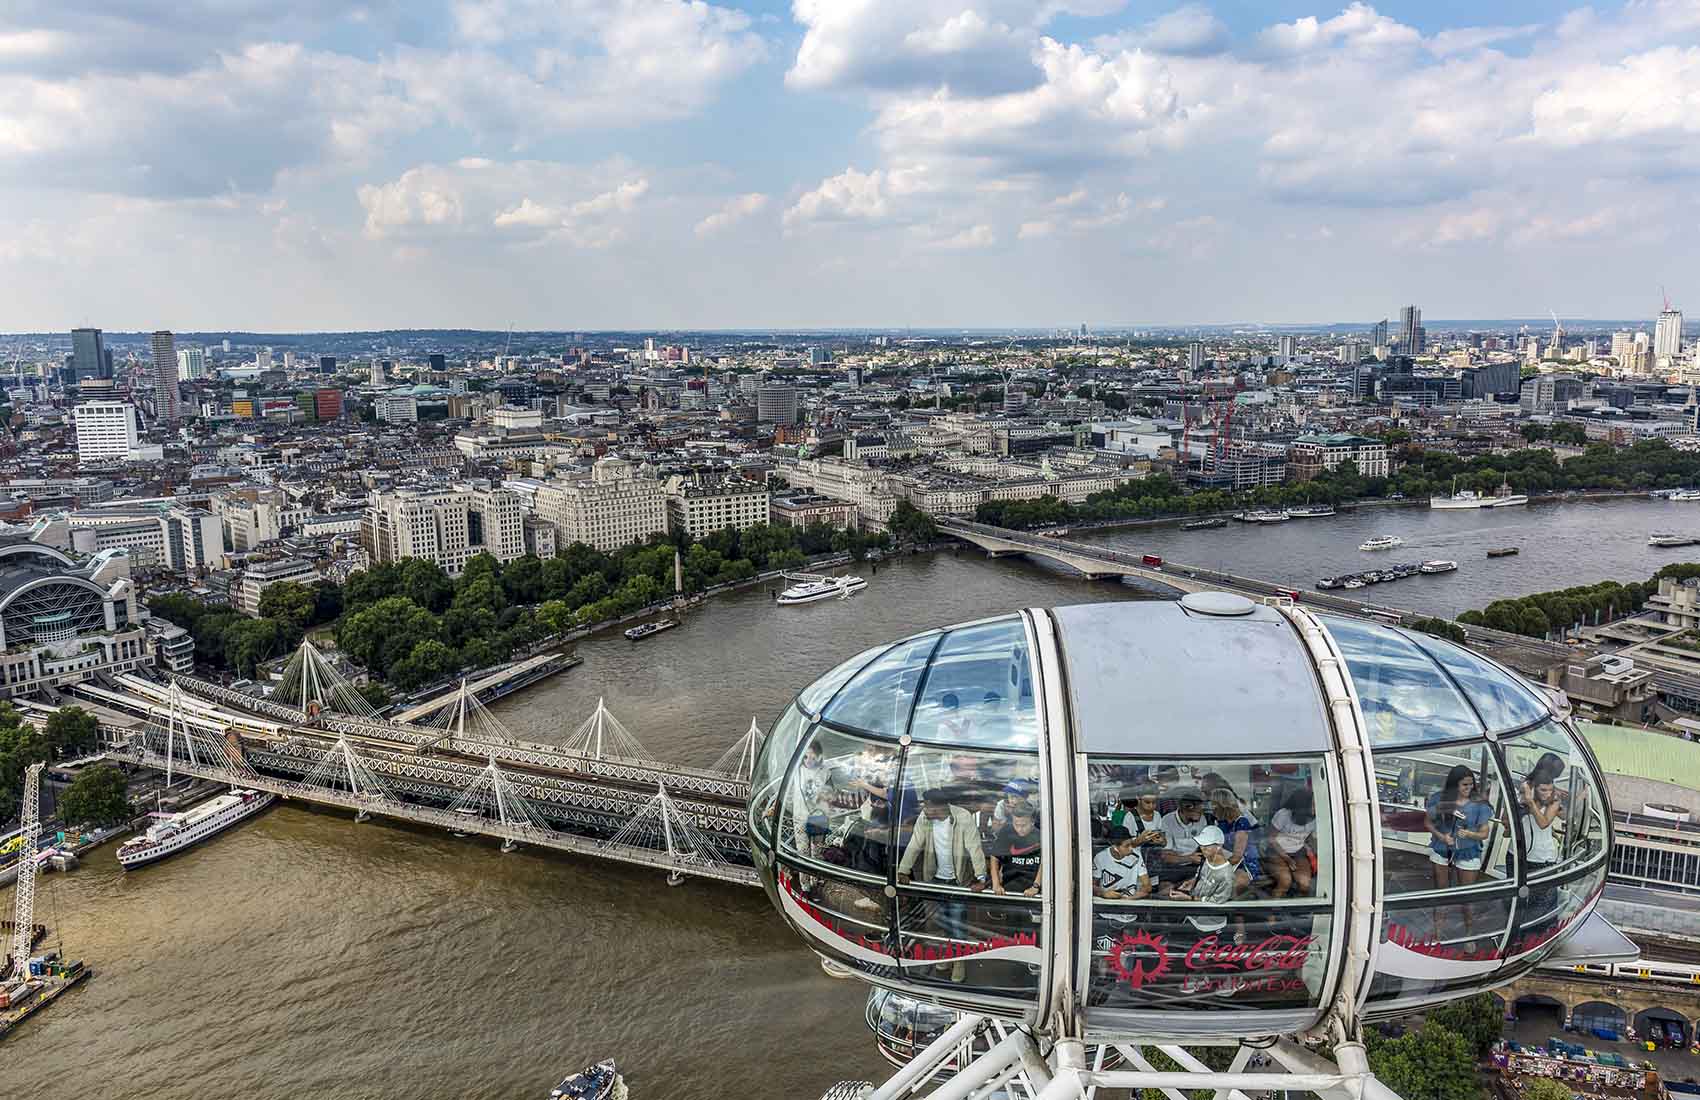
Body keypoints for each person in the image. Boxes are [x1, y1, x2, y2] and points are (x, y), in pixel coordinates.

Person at [897, 789, 989, 983]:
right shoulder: (925, 818)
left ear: (938, 807)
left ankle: (960, 963)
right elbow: (915, 843)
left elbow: (974, 847)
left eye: (926, 806)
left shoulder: (963, 818)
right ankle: (948, 957)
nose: (923, 810)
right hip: (935, 879)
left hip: (957, 881)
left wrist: (981, 877)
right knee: (939, 923)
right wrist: (903, 870)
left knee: (957, 925)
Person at [1427, 764, 1495, 890]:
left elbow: (1484, 834)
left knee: (1466, 896)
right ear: (1454, 785)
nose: (1469, 787)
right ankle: (1441, 910)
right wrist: (1442, 837)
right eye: (1465, 785)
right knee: (1440, 893)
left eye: (1471, 784)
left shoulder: (1479, 804)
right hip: (1441, 849)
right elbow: (1428, 822)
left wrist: (1469, 834)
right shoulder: (1439, 798)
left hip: (1468, 852)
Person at [1169, 825, 1237, 934]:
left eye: (1206, 845)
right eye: (1201, 844)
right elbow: (1201, 877)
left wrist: (1189, 898)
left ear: (1219, 846)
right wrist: (1192, 882)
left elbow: (1217, 901)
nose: (1202, 848)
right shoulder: (1207, 859)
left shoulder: (1226, 875)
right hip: (1194, 916)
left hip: (1210, 925)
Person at [790, 740, 836, 896]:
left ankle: (815, 884)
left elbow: (831, 795)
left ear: (819, 756)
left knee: (816, 853)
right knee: (803, 853)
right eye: (805, 757)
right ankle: (805, 887)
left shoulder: (825, 773)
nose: (808, 760)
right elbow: (787, 793)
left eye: (812, 757)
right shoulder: (796, 771)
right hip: (800, 817)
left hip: (818, 818)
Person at [1208, 785, 1259, 894]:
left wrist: (1216, 869)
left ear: (1222, 805)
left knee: (1228, 888)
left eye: (1213, 804)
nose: (1210, 807)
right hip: (1224, 862)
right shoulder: (1219, 822)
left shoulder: (1241, 823)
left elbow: (1237, 857)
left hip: (1243, 864)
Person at [1267, 788, 1316, 898]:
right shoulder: (1283, 814)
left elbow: (1311, 839)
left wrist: (1312, 852)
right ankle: (1272, 912)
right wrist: (1286, 858)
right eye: (1312, 804)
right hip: (1277, 851)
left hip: (1298, 852)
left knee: (1305, 884)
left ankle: (1297, 911)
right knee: (1285, 882)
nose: (1315, 807)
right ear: (1302, 806)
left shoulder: (1316, 818)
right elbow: (1271, 839)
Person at [1154, 787, 1209, 884]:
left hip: (1196, 867)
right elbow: (1166, 857)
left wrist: (1178, 856)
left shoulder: (1202, 819)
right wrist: (1190, 858)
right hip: (1173, 869)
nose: (1201, 815)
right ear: (1186, 809)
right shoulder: (1167, 821)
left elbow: (1203, 849)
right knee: (1165, 889)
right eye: (1197, 812)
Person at [989, 800, 1042, 896]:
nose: (1019, 829)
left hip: (1033, 888)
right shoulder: (1006, 832)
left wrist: (1036, 886)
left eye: (1023, 825)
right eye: (1016, 824)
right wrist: (996, 884)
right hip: (1009, 886)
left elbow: (1046, 863)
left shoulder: (1041, 835)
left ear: (1032, 822)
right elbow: (995, 857)